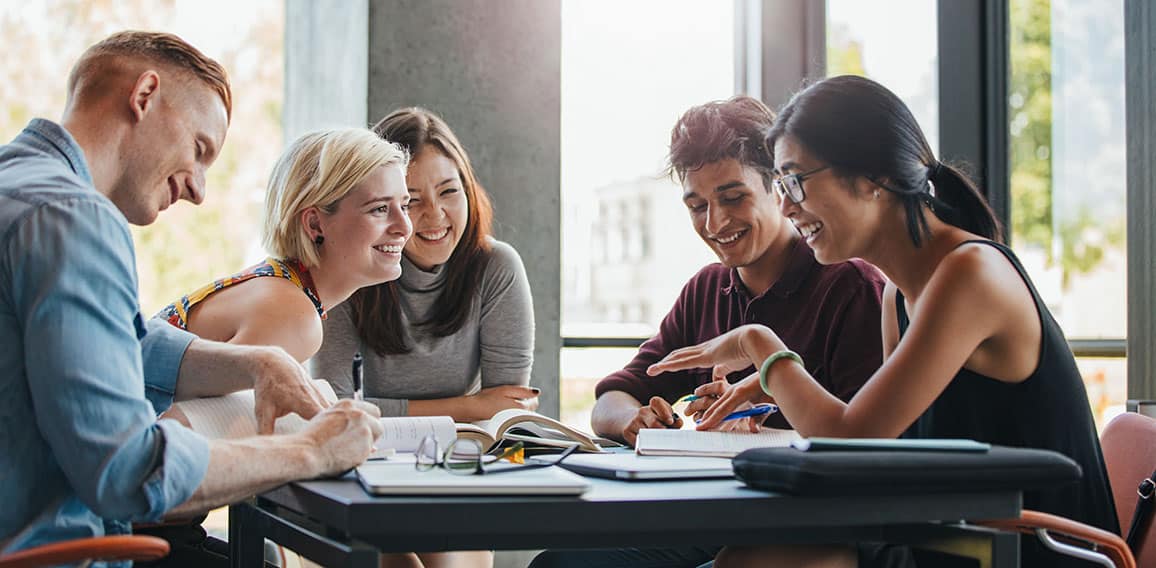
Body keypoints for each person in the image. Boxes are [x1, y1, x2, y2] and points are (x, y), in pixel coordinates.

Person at [647, 76, 1118, 568]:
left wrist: (760, 345)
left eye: (797, 181)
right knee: (750, 557)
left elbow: (848, 443)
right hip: (953, 540)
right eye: (783, 185)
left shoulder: (969, 274)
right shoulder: (900, 292)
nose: (787, 206)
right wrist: (774, 388)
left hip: (1029, 550)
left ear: (874, 177)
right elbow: (877, 452)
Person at [0, 31, 383, 563]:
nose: (199, 190)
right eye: (200, 150)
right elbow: (128, 472)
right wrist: (309, 450)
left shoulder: (17, 186)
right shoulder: (74, 220)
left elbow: (121, 343)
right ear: (145, 96)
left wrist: (257, 363)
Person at [529, 96, 886, 568]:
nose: (714, 223)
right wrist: (635, 422)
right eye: (697, 206)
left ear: (779, 189)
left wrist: (769, 416)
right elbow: (612, 399)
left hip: (807, 530)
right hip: (711, 522)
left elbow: (869, 446)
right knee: (558, 565)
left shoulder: (850, 287)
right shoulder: (707, 288)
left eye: (733, 198)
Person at [311, 107, 535, 568]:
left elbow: (506, 417)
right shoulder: (354, 269)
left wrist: (475, 415)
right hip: (370, 466)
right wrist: (470, 406)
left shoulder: (497, 267)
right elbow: (333, 410)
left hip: (465, 464)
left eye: (449, 191)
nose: (434, 215)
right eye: (411, 200)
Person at [155, 128, 412, 365]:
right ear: (315, 224)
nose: (405, 227)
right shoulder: (293, 317)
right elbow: (184, 413)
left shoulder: (283, 287)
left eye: (404, 206)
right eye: (379, 209)